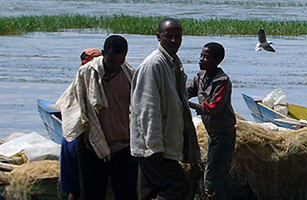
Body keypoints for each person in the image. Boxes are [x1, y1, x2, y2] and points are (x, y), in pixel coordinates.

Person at [56, 36, 137, 199]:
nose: (113, 67)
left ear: (125, 57)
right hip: (91, 147)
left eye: (118, 63)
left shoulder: (130, 75)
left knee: (126, 195)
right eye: (110, 62)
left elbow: (137, 109)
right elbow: (75, 107)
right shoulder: (87, 73)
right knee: (91, 195)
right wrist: (83, 136)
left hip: (122, 146)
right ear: (104, 53)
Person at [130, 18, 200, 200]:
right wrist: (154, 146)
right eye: (169, 36)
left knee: (148, 191)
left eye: (178, 37)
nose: (174, 41)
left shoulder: (173, 63)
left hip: (163, 143)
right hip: (153, 146)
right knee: (179, 186)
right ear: (158, 37)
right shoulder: (153, 65)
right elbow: (147, 108)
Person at [186, 42, 236, 199]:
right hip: (212, 133)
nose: (201, 59)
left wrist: (186, 103)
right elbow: (186, 92)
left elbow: (213, 108)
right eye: (201, 56)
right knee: (213, 171)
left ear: (217, 61)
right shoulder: (200, 77)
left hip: (223, 135)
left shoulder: (222, 81)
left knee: (214, 177)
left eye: (206, 57)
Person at [57, 48, 102, 200]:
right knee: (80, 189)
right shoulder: (91, 78)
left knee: (74, 190)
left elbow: (66, 106)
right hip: (79, 140)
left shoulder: (81, 78)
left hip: (71, 139)